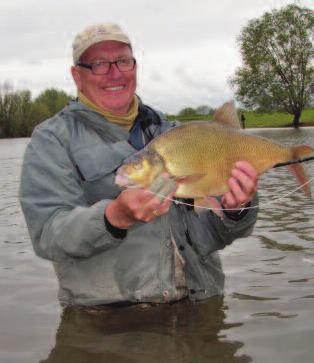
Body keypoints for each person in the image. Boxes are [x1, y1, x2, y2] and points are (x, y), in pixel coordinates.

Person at [19, 23, 258, 307]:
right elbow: (47, 235)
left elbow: (215, 237)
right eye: (99, 64)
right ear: (77, 76)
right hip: (114, 327)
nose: (115, 72)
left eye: (122, 60)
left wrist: (235, 211)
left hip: (202, 313)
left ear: (135, 67)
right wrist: (113, 217)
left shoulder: (174, 133)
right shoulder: (51, 140)